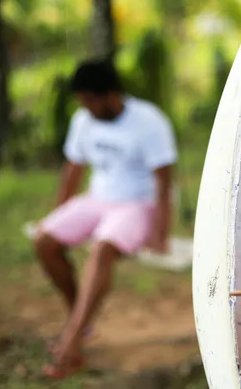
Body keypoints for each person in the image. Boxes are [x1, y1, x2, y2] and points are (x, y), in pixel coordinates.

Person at [33, 59, 178, 379]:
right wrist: (60, 213)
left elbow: (164, 181)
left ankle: (70, 344)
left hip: (138, 203)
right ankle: (80, 321)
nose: (84, 107)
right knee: (44, 240)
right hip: (98, 198)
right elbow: (74, 168)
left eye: (89, 100)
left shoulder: (148, 121)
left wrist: (161, 232)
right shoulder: (83, 120)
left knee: (102, 247)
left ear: (110, 95)